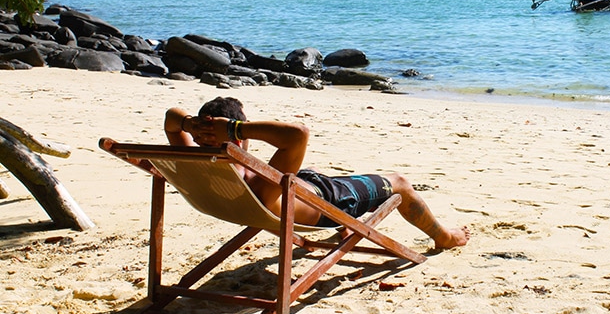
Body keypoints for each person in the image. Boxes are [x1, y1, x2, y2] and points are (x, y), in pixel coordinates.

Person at [164, 97, 469, 249]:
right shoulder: (256, 181)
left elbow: (171, 118)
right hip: (332, 203)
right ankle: (444, 237)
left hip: (303, 188)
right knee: (400, 183)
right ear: (240, 139)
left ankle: (346, 227)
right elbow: (298, 134)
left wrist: (193, 126)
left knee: (310, 172)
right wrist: (234, 128)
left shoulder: (193, 162)